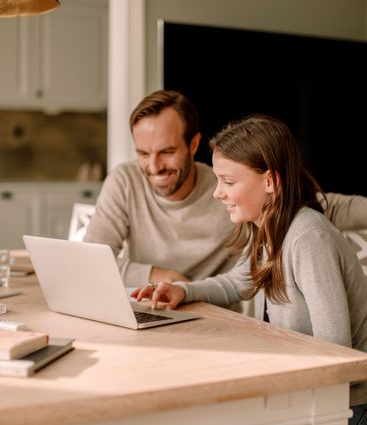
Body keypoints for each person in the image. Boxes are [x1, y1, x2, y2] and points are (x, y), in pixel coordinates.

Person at [132, 114, 367, 425]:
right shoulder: (268, 226)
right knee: (168, 416)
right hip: (301, 395)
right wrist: (183, 290)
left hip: (345, 411)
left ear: (270, 181)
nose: (217, 192)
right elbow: (238, 281)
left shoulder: (307, 237)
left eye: (228, 181)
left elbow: (336, 355)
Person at [84, 90, 367, 289]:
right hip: (152, 303)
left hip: (215, 314)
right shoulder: (125, 180)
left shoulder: (235, 190)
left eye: (167, 152)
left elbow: (323, 205)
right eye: (143, 153)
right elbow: (92, 260)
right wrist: (161, 276)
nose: (154, 166)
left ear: (194, 145)